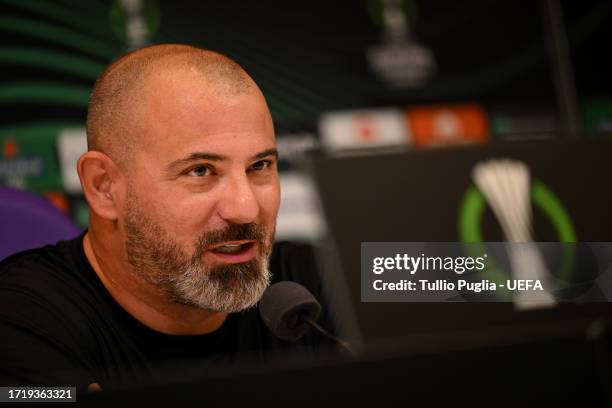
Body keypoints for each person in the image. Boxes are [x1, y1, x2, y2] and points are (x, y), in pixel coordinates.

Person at [0, 44, 334, 393]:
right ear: (104, 187)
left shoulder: (325, 274)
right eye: (200, 170)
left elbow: (393, 268)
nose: (245, 208)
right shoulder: (19, 322)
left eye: (260, 166)